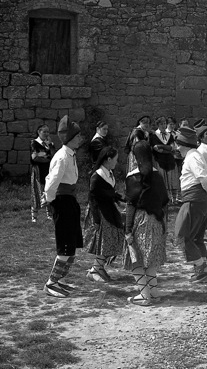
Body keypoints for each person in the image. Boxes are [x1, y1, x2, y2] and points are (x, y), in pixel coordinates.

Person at [41, 115, 84, 298]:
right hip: (63, 202)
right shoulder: (61, 157)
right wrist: (50, 202)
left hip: (70, 201)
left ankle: (58, 280)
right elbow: (51, 183)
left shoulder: (70, 154)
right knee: (65, 244)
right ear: (71, 138)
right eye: (78, 136)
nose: (81, 139)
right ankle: (50, 283)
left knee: (72, 243)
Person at [124, 141, 169, 305]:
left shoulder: (133, 176)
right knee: (149, 260)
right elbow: (165, 200)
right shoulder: (158, 175)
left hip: (140, 221)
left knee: (135, 258)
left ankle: (144, 295)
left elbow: (130, 205)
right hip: (157, 220)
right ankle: (154, 293)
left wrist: (128, 229)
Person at [174, 126, 207, 283]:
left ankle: (201, 268)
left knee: (184, 235)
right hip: (199, 199)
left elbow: (204, 177)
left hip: (195, 199)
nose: (177, 147)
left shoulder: (192, 157)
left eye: (178, 144)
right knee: (197, 237)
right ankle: (204, 268)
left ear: (183, 144)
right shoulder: (194, 155)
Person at [83, 147, 125, 282]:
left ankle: (98, 268)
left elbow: (110, 192)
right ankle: (95, 269)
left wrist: (120, 200)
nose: (116, 162)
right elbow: (93, 198)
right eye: (115, 159)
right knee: (108, 240)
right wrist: (96, 219)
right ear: (108, 159)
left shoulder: (108, 173)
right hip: (100, 212)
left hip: (108, 209)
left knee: (114, 238)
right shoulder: (97, 176)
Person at [30, 124, 56, 223]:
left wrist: (47, 151)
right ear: (39, 132)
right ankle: (34, 216)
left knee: (48, 189)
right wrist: (46, 156)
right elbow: (35, 157)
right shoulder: (34, 143)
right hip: (38, 170)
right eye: (44, 132)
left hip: (48, 170)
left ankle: (49, 214)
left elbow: (53, 155)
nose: (46, 134)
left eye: (47, 132)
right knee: (37, 191)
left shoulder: (49, 144)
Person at [149, 116, 178, 203]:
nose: (163, 125)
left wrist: (163, 147)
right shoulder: (154, 136)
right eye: (161, 124)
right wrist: (167, 149)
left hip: (170, 160)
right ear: (158, 125)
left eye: (165, 123)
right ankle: (164, 198)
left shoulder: (169, 135)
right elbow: (156, 149)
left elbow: (173, 148)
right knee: (162, 179)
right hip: (159, 160)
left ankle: (174, 198)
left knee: (171, 178)